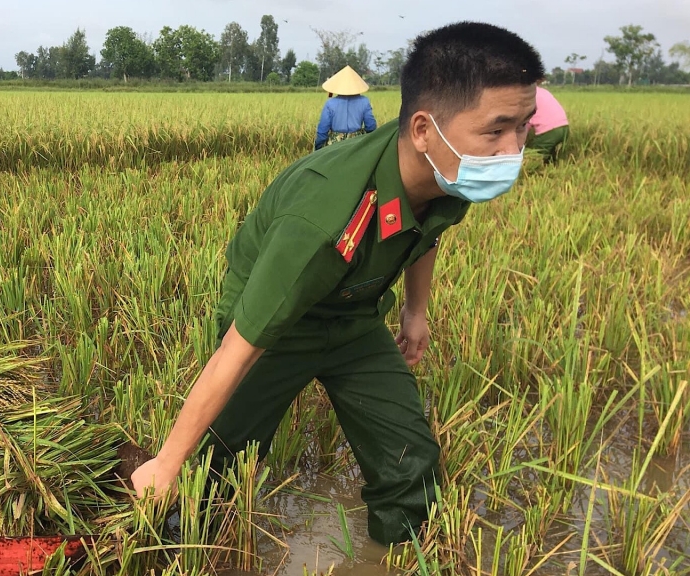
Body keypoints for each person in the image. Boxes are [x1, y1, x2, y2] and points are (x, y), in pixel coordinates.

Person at [131, 21, 543, 546]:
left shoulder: (450, 173)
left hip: (354, 318)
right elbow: (239, 348)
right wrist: (166, 465)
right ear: (423, 129)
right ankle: (183, 543)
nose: (513, 149)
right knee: (213, 472)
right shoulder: (321, 218)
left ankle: (404, 552)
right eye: (497, 129)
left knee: (411, 466)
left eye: (523, 127)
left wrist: (416, 312)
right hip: (284, 324)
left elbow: (426, 232)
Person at [314, 65, 378, 150]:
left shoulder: (330, 103)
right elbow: (371, 127)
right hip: (357, 144)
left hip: (334, 146)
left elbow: (322, 131)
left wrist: (318, 148)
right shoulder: (364, 101)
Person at [526, 81, 569, 162]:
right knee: (550, 156)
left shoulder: (528, 95)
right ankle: (552, 169)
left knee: (534, 156)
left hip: (550, 131)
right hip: (565, 127)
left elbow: (525, 121)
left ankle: (534, 171)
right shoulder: (543, 91)